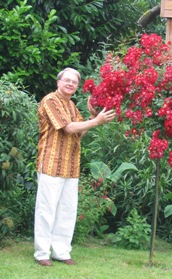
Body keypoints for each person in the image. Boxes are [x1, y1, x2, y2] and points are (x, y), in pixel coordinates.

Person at [34, 67, 116, 266]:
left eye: (74, 82)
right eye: (67, 80)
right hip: (51, 163)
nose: (70, 84)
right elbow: (69, 127)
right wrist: (96, 121)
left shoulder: (71, 105)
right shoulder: (50, 100)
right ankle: (42, 253)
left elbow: (78, 133)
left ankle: (61, 252)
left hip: (71, 166)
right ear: (58, 82)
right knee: (47, 210)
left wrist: (91, 119)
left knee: (67, 211)